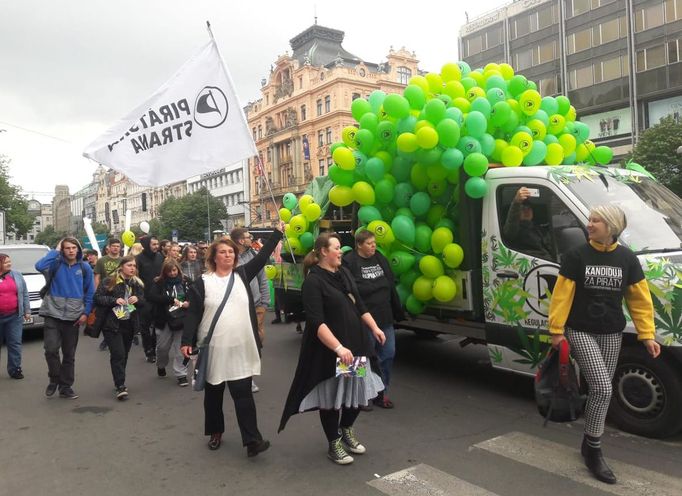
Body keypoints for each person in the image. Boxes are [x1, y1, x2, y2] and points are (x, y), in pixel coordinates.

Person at [548, 205, 660, 485]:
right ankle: (595, 451)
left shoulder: (627, 259)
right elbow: (561, 295)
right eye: (590, 219)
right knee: (602, 386)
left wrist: (647, 335)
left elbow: (639, 300)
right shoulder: (577, 256)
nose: (590, 224)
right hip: (579, 330)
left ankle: (589, 443)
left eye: (596, 220)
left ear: (612, 226)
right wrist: (556, 330)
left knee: (602, 393)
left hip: (611, 333)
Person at [279, 233, 386, 465]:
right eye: (337, 248)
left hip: (354, 346)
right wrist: (338, 347)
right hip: (333, 351)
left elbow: (360, 304)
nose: (341, 252)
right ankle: (333, 442)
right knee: (332, 399)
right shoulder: (313, 281)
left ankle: (346, 429)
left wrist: (375, 327)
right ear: (324, 251)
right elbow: (317, 323)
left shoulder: (343, 273)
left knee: (355, 396)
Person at [180, 222, 284, 456]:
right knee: (214, 395)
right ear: (214, 257)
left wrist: (277, 233)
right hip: (214, 347)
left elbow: (264, 255)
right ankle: (215, 432)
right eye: (223, 252)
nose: (228, 255)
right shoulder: (203, 282)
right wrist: (186, 341)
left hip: (241, 347)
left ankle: (252, 441)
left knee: (243, 395)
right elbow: (193, 313)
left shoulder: (243, 274)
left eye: (231, 252)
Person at [343, 230, 405, 409]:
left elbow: (390, 282)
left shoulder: (379, 258)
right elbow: (347, 290)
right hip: (361, 319)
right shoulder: (350, 261)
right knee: (360, 358)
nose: (373, 246)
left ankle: (380, 393)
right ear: (359, 245)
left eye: (374, 243)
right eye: (369, 243)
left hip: (384, 317)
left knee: (387, 354)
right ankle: (356, 396)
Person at [35, 237, 95, 399]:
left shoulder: (85, 268)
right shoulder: (55, 264)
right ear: (62, 250)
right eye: (67, 248)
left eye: (73, 248)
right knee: (51, 350)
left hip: (74, 317)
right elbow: (39, 266)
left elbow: (90, 293)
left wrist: (85, 313)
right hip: (52, 314)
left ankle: (65, 386)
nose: (70, 251)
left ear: (78, 250)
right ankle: (54, 378)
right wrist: (55, 249)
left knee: (69, 354)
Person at [93, 255, 145, 400]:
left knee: (124, 354)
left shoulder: (136, 283)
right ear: (121, 266)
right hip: (112, 324)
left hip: (129, 322)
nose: (132, 268)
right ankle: (120, 385)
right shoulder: (110, 281)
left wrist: (138, 299)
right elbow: (97, 297)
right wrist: (114, 300)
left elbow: (143, 301)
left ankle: (120, 379)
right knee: (118, 354)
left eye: (134, 266)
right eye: (129, 265)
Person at [230, 227, 270, 393]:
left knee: (257, 341)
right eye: (248, 236)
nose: (339, 252)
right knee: (244, 343)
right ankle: (245, 377)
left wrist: (264, 302)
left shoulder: (252, 255)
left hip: (256, 305)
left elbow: (263, 279)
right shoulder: (232, 258)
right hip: (238, 309)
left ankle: (354, 392)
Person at [149, 259, 191, 386]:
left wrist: (188, 302)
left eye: (174, 270)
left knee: (181, 349)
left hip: (182, 319)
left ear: (178, 269)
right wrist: (171, 300)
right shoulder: (159, 282)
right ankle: (161, 365)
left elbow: (195, 294)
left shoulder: (186, 281)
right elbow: (152, 297)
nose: (172, 273)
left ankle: (181, 374)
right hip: (165, 319)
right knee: (162, 348)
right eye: (169, 271)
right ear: (164, 272)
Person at [0, 253, 31, 379]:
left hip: (14, 316)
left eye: (9, 261)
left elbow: (24, 293)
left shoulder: (17, 275)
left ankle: (15, 369)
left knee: (15, 343)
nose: (9, 264)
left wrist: (27, 310)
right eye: (6, 262)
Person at [503, 186, 553, 259]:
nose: (526, 211)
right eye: (523, 209)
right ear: (518, 212)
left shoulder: (540, 228)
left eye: (528, 208)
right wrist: (516, 202)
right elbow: (511, 223)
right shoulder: (514, 231)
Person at [136, 235, 164, 363]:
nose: (156, 247)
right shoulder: (138, 259)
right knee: (145, 326)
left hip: (158, 296)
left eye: (157, 244)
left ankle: (155, 348)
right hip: (144, 298)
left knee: (157, 326)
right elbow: (135, 278)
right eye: (153, 244)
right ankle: (148, 350)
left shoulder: (160, 257)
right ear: (146, 245)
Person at [94, 238, 123, 351]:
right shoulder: (102, 261)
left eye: (118, 246)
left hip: (119, 293)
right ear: (109, 247)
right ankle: (106, 339)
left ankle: (116, 338)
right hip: (104, 294)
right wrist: (96, 292)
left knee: (120, 316)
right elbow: (97, 277)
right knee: (105, 318)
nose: (116, 248)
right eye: (114, 246)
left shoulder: (122, 260)